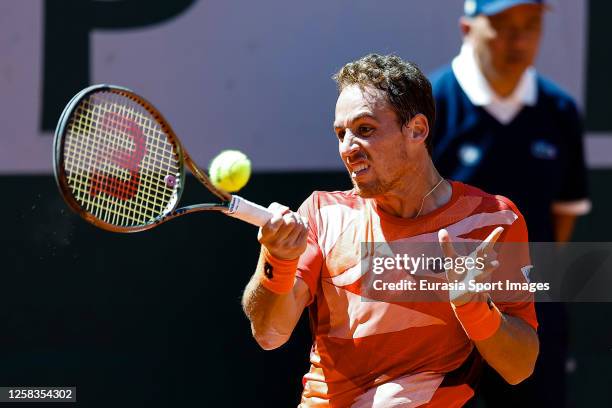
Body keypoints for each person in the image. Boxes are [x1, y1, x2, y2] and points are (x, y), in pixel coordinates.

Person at [242, 54, 539, 407]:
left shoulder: (493, 221)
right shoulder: (322, 214)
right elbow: (268, 333)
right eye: (341, 134)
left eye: (364, 129)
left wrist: (474, 307)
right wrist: (277, 260)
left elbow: (520, 366)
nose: (348, 148)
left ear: (417, 130)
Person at [430, 0, 590, 406]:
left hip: (531, 317)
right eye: (502, 24)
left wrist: (520, 287)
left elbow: (560, 221)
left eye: (531, 24)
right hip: (438, 319)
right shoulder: (429, 107)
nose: (518, 38)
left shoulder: (561, 111)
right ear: (468, 29)